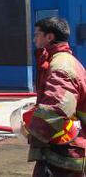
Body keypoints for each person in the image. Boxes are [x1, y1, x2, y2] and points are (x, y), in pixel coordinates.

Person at [25, 17, 85, 176]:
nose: (34, 39)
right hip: (65, 147)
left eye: (37, 34)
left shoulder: (61, 66)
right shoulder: (58, 61)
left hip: (63, 153)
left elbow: (56, 108)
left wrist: (33, 131)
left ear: (49, 37)